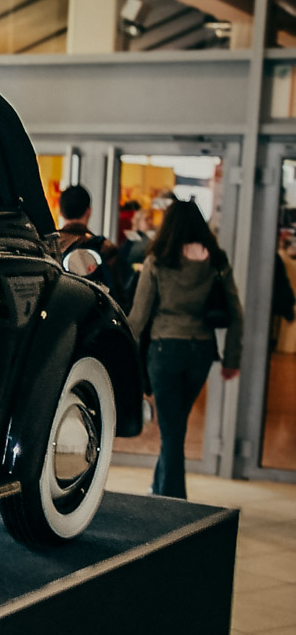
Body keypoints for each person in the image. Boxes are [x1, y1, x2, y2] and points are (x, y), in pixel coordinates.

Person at [127, 200, 244, 498]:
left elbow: (138, 318)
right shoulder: (217, 261)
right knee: (174, 424)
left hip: (165, 350)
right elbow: (236, 314)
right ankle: (159, 487)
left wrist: (123, 359)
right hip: (201, 351)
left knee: (172, 429)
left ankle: (173, 501)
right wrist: (231, 359)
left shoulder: (158, 260)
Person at [56, 185, 120, 294]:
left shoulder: (49, 245)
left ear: (60, 212)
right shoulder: (105, 248)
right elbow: (118, 293)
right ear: (89, 211)